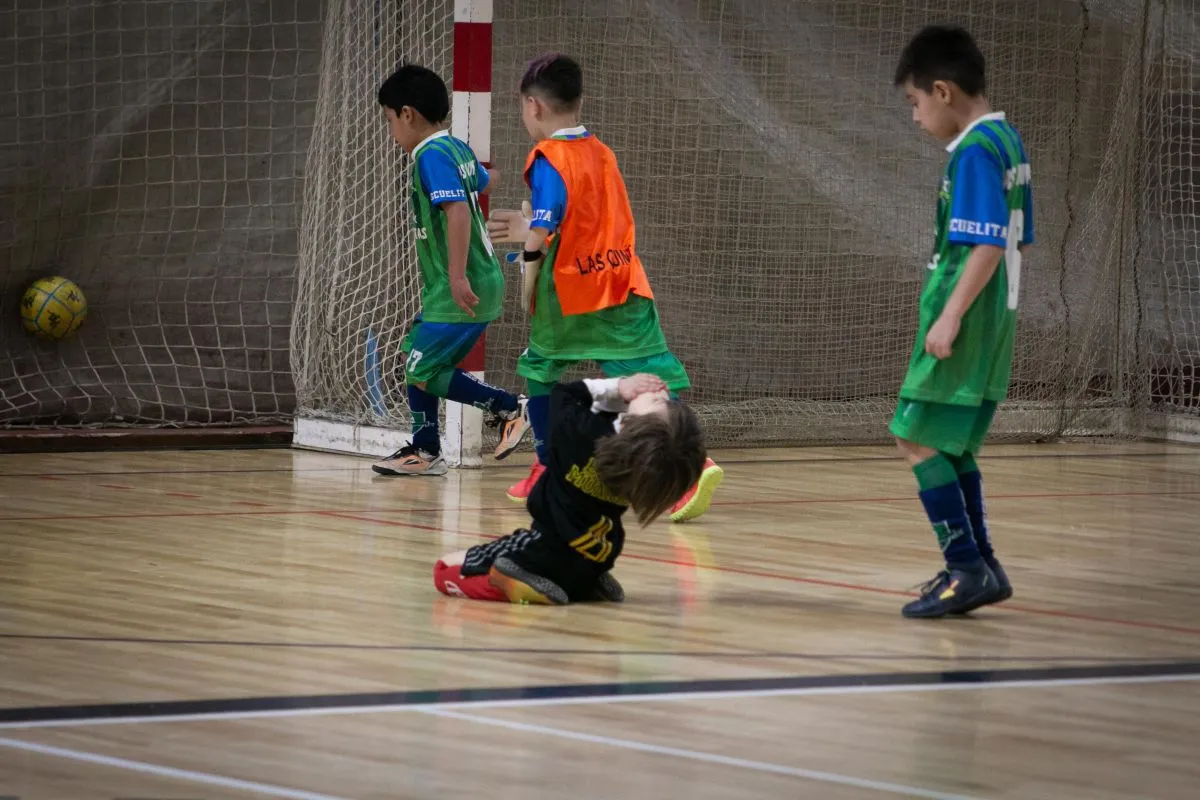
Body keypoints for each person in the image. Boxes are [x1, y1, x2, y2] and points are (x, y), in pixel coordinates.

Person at [487, 53, 722, 521]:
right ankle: (691, 468)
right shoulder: (602, 151)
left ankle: (550, 464)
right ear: (580, 101)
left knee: (540, 371)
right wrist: (531, 224)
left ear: (533, 106)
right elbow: (581, 219)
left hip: (570, 295)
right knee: (647, 380)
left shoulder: (546, 156)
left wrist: (528, 265)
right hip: (622, 284)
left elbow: (546, 227)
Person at [890, 26, 1034, 617]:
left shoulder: (975, 150)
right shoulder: (1007, 139)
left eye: (915, 102)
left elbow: (989, 245)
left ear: (943, 91)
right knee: (950, 444)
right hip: (995, 318)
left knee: (914, 435)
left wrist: (949, 316)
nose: (917, 117)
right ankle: (983, 566)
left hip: (968, 317)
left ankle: (967, 567)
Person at [372, 64, 528, 477]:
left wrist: (457, 276)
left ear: (408, 114)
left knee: (420, 369)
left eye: (389, 120)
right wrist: (485, 177)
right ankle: (425, 451)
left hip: (460, 285)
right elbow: (486, 179)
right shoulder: (455, 149)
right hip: (474, 281)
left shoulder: (431, 154)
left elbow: (457, 208)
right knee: (420, 361)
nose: (391, 131)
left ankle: (510, 407)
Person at [433, 374, 707, 604]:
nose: (660, 393)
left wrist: (618, 387)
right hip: (599, 553)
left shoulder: (581, 434)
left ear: (640, 428)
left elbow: (563, 395)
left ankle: (520, 582)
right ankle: (586, 582)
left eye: (659, 401)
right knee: (574, 560)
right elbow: (613, 426)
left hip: (545, 547)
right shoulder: (635, 468)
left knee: (445, 569)